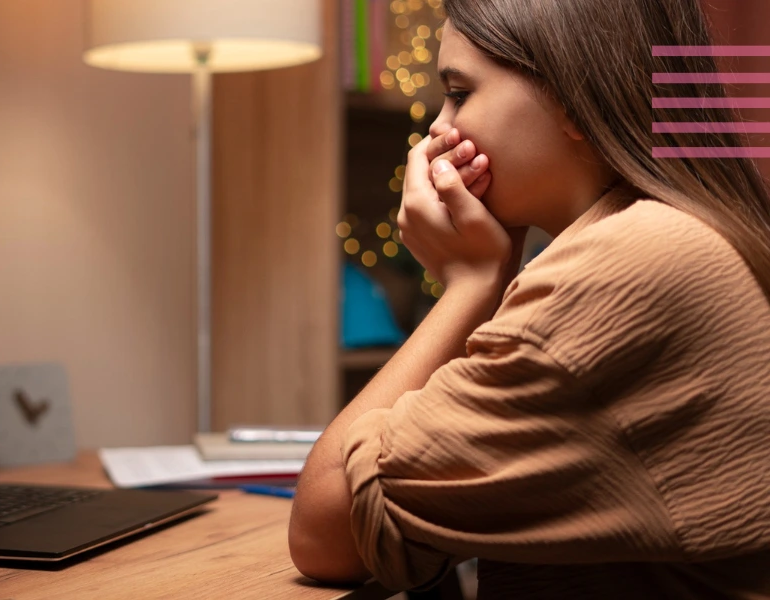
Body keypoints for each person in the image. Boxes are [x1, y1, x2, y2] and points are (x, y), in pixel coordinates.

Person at [288, 0, 770, 598]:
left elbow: (323, 531)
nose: (437, 129)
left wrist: (470, 283)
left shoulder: (628, 265)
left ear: (572, 94)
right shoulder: (666, 232)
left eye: (460, 94)